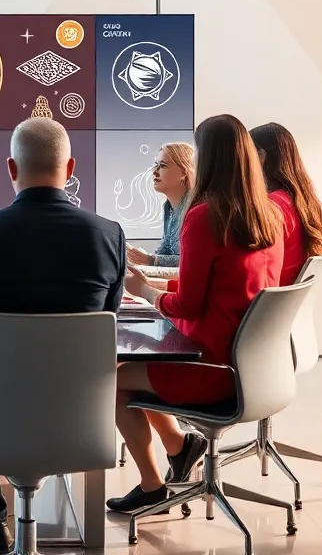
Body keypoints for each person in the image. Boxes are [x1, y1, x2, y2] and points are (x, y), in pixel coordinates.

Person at [0, 118, 126, 555]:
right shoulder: (109, 235)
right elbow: (105, 332)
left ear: (11, 169)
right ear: (69, 167)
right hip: (80, 420)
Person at [108, 114, 284, 514]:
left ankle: (154, 484)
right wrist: (162, 288)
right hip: (252, 368)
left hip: (210, 367)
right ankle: (181, 447)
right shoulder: (269, 216)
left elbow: (188, 305)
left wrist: (144, 292)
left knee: (115, 381)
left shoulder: (203, 216)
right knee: (133, 373)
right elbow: (225, 286)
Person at [249, 123, 322, 284]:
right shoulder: (303, 202)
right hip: (283, 303)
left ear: (262, 157)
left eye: (247, 155)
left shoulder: (272, 207)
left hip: (266, 298)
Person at [126, 141, 195, 269]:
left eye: (162, 166)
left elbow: (195, 260)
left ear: (184, 173)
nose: (154, 172)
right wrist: (140, 258)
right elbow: (165, 249)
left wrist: (151, 260)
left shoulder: (197, 210)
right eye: (155, 165)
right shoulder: (168, 207)